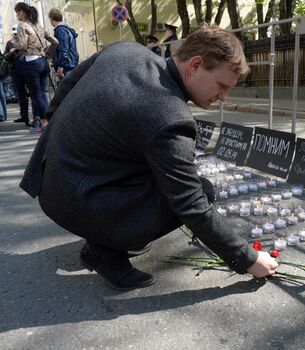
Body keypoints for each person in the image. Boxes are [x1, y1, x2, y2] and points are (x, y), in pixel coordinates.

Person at [20, 24, 278, 290]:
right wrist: (247, 258)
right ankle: (105, 251)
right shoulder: (169, 114)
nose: (224, 97)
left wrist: (53, 121)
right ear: (196, 64)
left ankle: (111, 234)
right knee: (203, 190)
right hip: (76, 200)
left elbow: (70, 81)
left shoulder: (126, 50)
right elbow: (190, 202)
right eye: (222, 86)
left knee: (157, 172)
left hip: (49, 175)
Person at [11, 2, 58, 133]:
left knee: (37, 95)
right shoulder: (38, 25)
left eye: (17, 12)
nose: (17, 15)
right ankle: (44, 122)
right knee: (42, 94)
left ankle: (48, 122)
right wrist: (46, 54)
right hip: (43, 62)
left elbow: (22, 46)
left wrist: (15, 47)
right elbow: (55, 41)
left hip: (31, 63)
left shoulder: (22, 25)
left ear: (22, 12)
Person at [48, 8, 79, 80]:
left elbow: (63, 49)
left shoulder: (60, 30)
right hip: (71, 64)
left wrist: (60, 67)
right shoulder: (66, 29)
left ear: (52, 19)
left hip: (66, 67)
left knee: (67, 89)